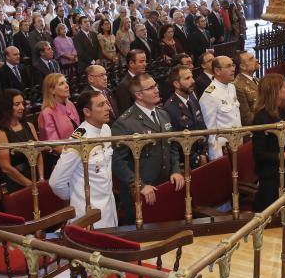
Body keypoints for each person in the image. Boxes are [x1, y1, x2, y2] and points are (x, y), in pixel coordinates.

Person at [111, 73, 184, 225]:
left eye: (155, 85)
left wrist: (176, 170)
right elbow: (118, 163)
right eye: (150, 88)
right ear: (138, 95)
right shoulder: (125, 123)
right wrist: (139, 185)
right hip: (141, 192)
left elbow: (172, 146)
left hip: (165, 185)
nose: (156, 90)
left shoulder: (163, 115)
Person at [49, 90, 117, 228]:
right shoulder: (78, 141)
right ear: (87, 111)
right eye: (101, 105)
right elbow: (56, 182)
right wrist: (74, 196)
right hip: (88, 212)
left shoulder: (105, 129)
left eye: (106, 103)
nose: (107, 108)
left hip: (109, 206)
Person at [251, 74, 285, 212]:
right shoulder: (261, 118)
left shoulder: (281, 111)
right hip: (272, 176)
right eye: (283, 86)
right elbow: (259, 154)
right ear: (275, 92)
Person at [0, 89, 43, 192]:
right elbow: (5, 167)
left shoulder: (29, 126)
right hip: (17, 184)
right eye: (17, 104)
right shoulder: (1, 133)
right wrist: (29, 184)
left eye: (22, 103)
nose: (22, 107)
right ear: (6, 107)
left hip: (36, 178)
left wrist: (41, 178)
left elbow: (39, 152)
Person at [163, 66, 208, 167]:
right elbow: (176, 142)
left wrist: (204, 153)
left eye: (192, 77)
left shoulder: (192, 99)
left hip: (202, 156)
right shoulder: (170, 108)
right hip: (186, 162)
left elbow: (203, 128)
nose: (193, 81)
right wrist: (196, 159)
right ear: (176, 84)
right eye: (187, 78)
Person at [38, 72, 81, 175]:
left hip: (77, 153)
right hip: (60, 160)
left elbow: (80, 129)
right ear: (51, 90)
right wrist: (77, 156)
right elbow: (55, 145)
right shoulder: (47, 113)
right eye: (61, 84)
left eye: (66, 82)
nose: (67, 86)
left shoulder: (70, 104)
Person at [199, 56, 241, 161]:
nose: (233, 69)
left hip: (238, 144)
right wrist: (217, 158)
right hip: (223, 150)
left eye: (233, 65)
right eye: (228, 66)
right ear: (217, 71)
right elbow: (211, 131)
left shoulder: (231, 87)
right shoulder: (210, 95)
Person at [234, 51, 260, 125]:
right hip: (256, 129)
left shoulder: (256, 80)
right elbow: (247, 118)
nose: (256, 60)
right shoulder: (238, 86)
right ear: (242, 66)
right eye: (251, 59)